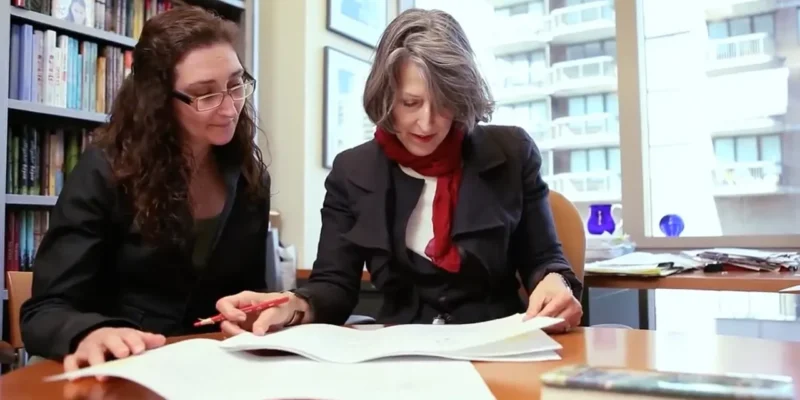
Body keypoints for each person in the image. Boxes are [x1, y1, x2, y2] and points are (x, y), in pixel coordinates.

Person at [215, 8, 583, 336]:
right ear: (385, 96)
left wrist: (555, 283)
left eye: (444, 104)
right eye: (411, 103)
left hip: (498, 348)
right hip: (398, 357)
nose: (427, 122)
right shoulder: (352, 171)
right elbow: (334, 286)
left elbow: (544, 261)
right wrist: (295, 306)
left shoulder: (511, 153)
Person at [19, 6, 270, 374]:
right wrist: (90, 333)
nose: (231, 107)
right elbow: (44, 311)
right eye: (204, 94)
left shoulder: (249, 177)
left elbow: (247, 292)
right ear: (159, 101)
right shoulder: (104, 172)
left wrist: (255, 314)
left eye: (236, 84)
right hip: (117, 368)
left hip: (207, 369)